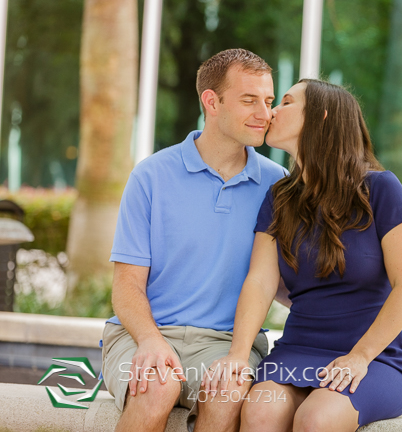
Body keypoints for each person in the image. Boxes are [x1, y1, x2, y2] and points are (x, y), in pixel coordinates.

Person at [203, 79, 402, 431]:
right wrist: (238, 356)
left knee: (316, 418)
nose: (271, 111)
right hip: (298, 349)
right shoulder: (280, 197)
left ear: (319, 118)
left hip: (373, 358)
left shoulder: (381, 189)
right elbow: (260, 282)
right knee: (259, 411)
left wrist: (359, 357)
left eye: (286, 102)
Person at [101, 49, 288, 432]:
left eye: (268, 101)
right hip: (143, 334)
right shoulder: (151, 175)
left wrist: (363, 308)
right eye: (249, 100)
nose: (265, 114)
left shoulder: (278, 183)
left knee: (228, 392)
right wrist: (151, 341)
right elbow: (126, 285)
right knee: (155, 388)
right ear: (211, 102)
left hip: (228, 342)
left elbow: (286, 280)